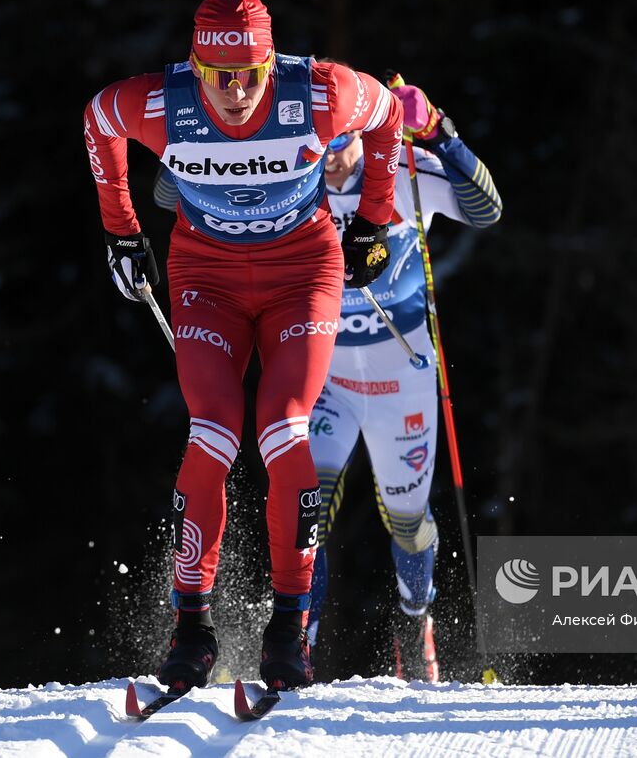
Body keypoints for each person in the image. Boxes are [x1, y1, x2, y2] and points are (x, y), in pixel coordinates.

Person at [82, 0, 402, 694]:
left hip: (303, 273)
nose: (234, 92)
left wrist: (374, 219)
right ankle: (191, 629)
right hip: (207, 277)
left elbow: (389, 114)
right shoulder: (161, 105)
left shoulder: (318, 93)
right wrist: (120, 229)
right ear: (195, 66)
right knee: (214, 432)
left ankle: (288, 629)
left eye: (251, 74)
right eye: (219, 75)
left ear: (270, 63)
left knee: (285, 426)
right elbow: (97, 118)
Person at [152, 71, 502, 681]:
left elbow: (487, 208)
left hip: (405, 379)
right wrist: (204, 132)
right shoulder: (291, 166)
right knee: (306, 501)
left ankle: (413, 619)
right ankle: (296, 642)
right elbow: (171, 192)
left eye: (345, 144)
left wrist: (441, 134)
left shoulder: (402, 168)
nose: (333, 160)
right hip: (328, 374)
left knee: (408, 523)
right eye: (325, 143)